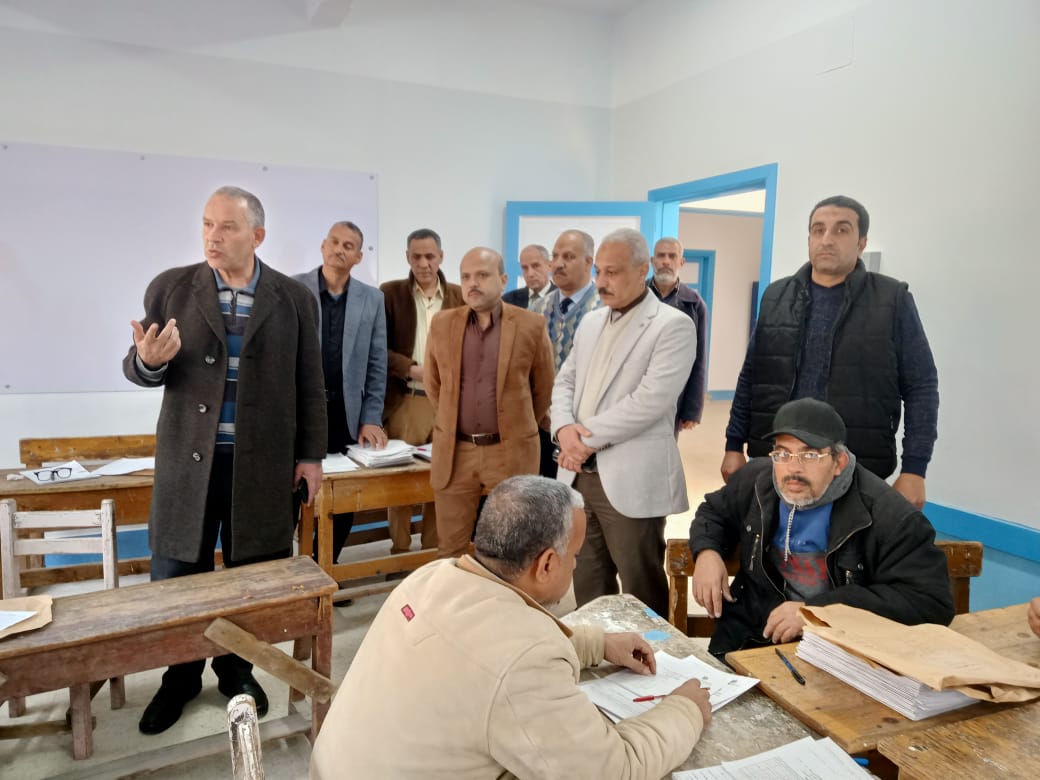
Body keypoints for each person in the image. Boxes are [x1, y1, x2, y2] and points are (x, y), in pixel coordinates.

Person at [310, 475, 711, 779]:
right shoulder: (524, 659)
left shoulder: (433, 576)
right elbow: (612, 769)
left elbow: (483, 654)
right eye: (574, 555)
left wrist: (597, 644)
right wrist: (685, 708)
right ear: (547, 564)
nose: (575, 565)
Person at [123, 186, 326, 734]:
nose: (213, 236)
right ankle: (179, 677)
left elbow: (311, 383)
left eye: (227, 227)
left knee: (251, 576)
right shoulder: (171, 287)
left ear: (257, 236)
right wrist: (147, 361)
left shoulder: (294, 299)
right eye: (207, 224)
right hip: (188, 465)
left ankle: (238, 671)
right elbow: (139, 365)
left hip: (261, 466)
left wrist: (311, 456)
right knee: (178, 573)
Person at [692, 398, 954, 660]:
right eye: (783, 453)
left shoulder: (890, 516)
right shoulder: (757, 482)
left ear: (839, 462)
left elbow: (930, 601)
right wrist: (707, 552)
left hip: (842, 653)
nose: (793, 468)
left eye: (810, 455)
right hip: (750, 641)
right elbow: (713, 512)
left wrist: (817, 611)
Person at [722, 195, 939, 509]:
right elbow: (752, 377)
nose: (826, 239)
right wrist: (733, 445)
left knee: (850, 541)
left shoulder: (892, 300)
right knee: (774, 539)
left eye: (841, 230)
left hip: (856, 464)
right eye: (818, 230)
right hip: (779, 460)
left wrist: (915, 469)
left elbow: (921, 386)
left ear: (861, 243)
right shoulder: (776, 297)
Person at [551, 228, 696, 616]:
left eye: (612, 272)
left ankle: (653, 655)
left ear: (642, 269)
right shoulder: (591, 322)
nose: (601, 282)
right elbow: (565, 381)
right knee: (588, 580)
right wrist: (563, 430)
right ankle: (599, 650)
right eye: (598, 271)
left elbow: (650, 401)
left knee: (640, 587)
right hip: (578, 474)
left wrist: (583, 441)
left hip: (630, 478)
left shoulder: (673, 325)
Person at [424, 248, 554, 557]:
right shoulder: (442, 324)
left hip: (510, 450)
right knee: (450, 549)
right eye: (466, 276)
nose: (473, 283)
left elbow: (543, 388)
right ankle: (456, 592)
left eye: (482, 275)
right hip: (456, 452)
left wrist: (516, 424)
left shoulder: (531, 325)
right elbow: (434, 384)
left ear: (503, 280)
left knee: (514, 547)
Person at [294, 220, 387, 563]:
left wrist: (371, 417)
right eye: (334, 242)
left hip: (345, 415)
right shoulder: (293, 288)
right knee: (293, 491)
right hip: (300, 412)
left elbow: (377, 364)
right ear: (323, 246)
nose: (339, 250)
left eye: (349, 246)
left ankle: (325, 566)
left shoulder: (372, 299)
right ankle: (294, 570)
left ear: (359, 257)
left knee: (343, 496)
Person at [380, 229, 464, 554]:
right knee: (398, 480)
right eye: (416, 256)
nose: (424, 263)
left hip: (448, 403)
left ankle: (432, 550)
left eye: (430, 256)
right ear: (407, 257)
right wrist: (413, 369)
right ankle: (400, 550)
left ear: (441, 257)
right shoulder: (390, 294)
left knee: (442, 479)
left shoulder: (459, 297)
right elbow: (377, 349)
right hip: (408, 400)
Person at [529, 230, 602, 477]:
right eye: (555, 256)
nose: (558, 264)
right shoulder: (537, 308)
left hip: (586, 427)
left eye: (568, 257)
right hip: (541, 423)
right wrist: (542, 411)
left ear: (589, 262)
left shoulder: (604, 309)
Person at [649, 237, 708, 432]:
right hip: (636, 389)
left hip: (674, 395)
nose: (666, 261)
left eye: (672, 256)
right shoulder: (636, 297)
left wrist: (693, 409)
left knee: (665, 446)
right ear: (652, 261)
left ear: (681, 262)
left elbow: (699, 359)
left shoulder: (694, 305)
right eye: (661, 256)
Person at [502, 243, 553, 308]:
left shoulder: (562, 299)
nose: (530, 274)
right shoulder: (508, 301)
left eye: (535, 266)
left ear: (549, 266)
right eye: (525, 268)